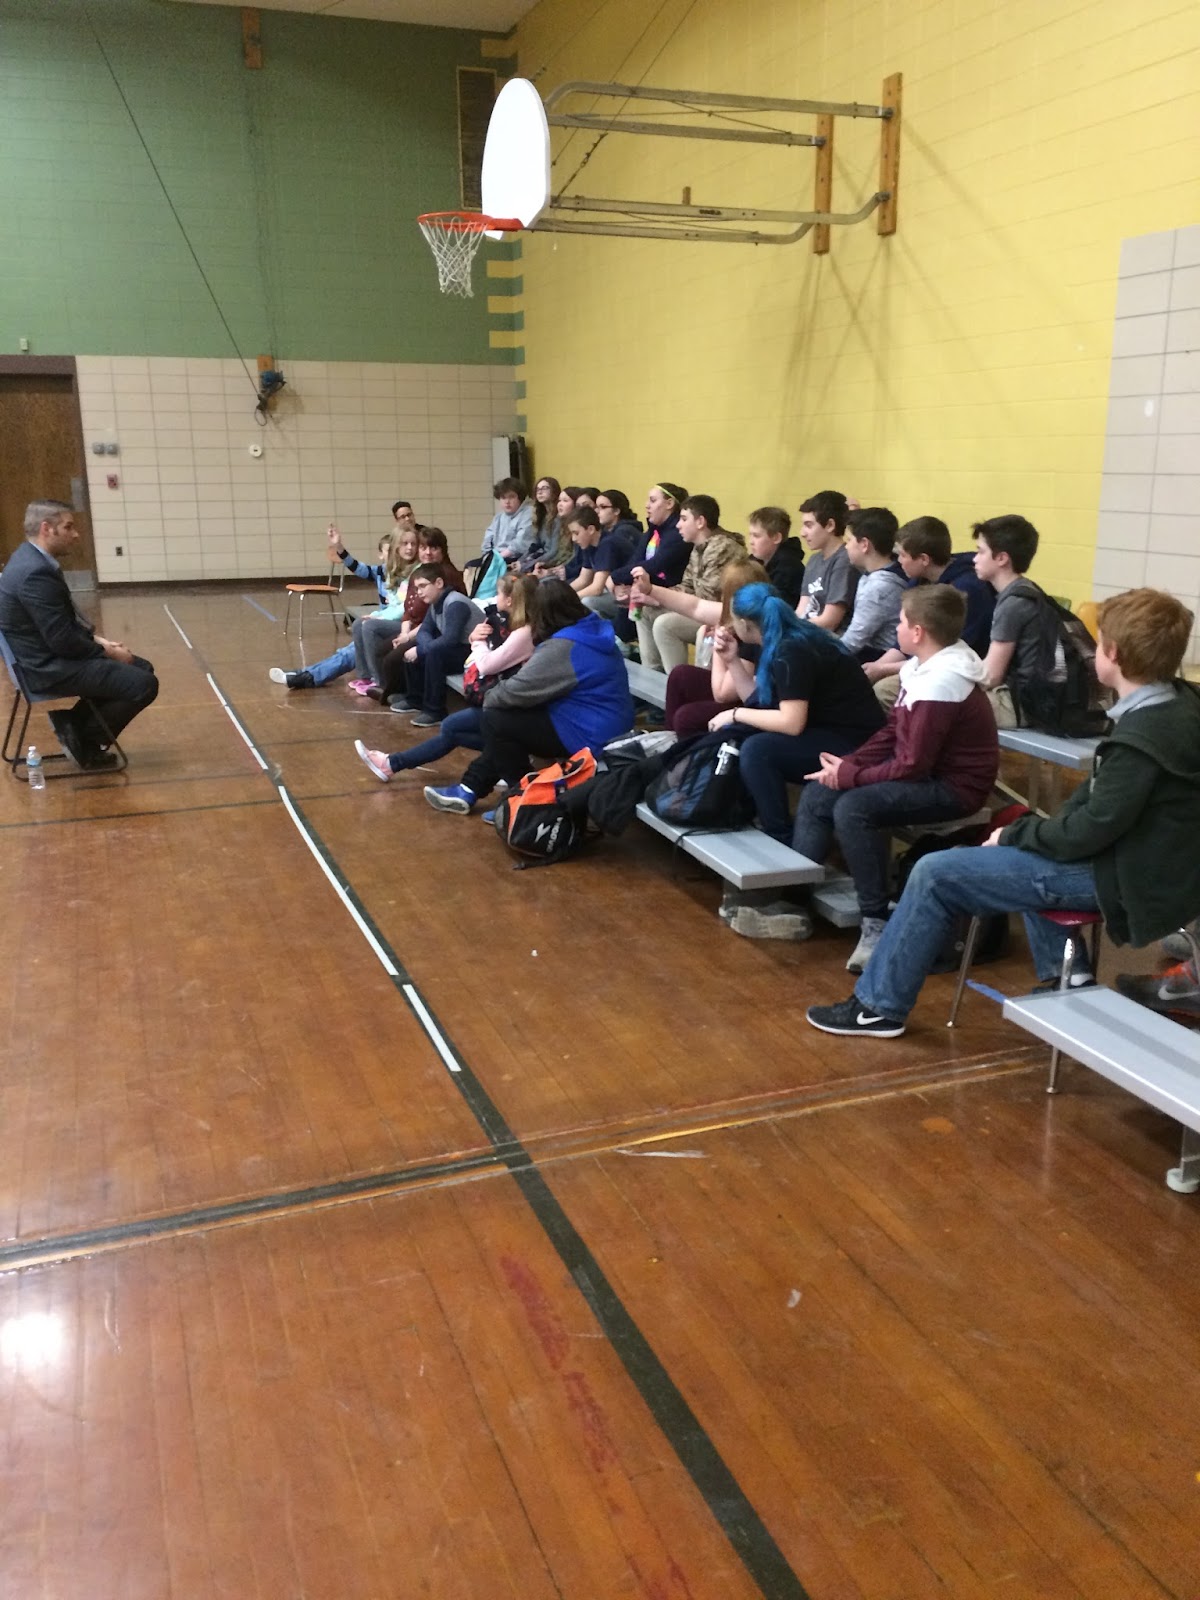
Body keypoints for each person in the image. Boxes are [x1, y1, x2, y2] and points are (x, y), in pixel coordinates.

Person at [807, 587, 1200, 1039]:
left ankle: (877, 1007)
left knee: (937, 873)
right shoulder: (1177, 703)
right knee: (1028, 843)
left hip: (1130, 877)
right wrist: (1031, 831)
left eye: (1099, 642)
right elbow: (1095, 808)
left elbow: (1088, 831)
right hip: (1149, 863)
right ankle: (1068, 976)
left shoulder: (1142, 738)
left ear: (1112, 654)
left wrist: (1016, 835)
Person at [787, 585, 998, 970]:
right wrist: (846, 765)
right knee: (820, 790)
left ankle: (875, 922)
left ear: (918, 632)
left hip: (954, 789)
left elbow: (913, 764)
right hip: (926, 774)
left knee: (853, 808)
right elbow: (892, 732)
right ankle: (795, 897)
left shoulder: (942, 682)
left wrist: (852, 777)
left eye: (900, 622)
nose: (896, 628)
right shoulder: (923, 665)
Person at [424, 579, 634, 814]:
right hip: (603, 722)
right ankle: (470, 788)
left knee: (496, 720)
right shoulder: (590, 628)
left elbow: (508, 693)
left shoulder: (563, 647)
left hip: (588, 733)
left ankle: (527, 802)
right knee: (506, 719)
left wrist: (492, 692)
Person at [708, 583, 886, 849]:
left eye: (734, 621)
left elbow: (791, 723)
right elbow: (761, 705)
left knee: (757, 750)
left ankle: (780, 838)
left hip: (856, 743)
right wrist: (732, 660)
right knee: (747, 735)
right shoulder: (785, 638)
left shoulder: (792, 650)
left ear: (744, 624)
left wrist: (735, 714)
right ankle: (750, 819)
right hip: (828, 731)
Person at [0, 500, 158, 769]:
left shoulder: (26, 558)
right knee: (143, 684)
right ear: (46, 529)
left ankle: (73, 725)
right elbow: (63, 641)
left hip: (41, 658)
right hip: (45, 668)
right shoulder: (35, 573)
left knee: (141, 668)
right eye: (68, 527)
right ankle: (84, 740)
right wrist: (110, 652)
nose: (75, 534)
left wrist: (99, 641)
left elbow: (59, 626)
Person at [354, 573, 537, 782]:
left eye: (498, 594)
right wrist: (475, 637)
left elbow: (486, 664)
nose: (496, 598)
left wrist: (476, 642)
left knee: (452, 727)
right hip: (502, 702)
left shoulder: (523, 633)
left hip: (511, 707)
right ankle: (391, 764)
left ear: (510, 600)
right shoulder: (506, 622)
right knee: (451, 727)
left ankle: (513, 760)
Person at [270, 524, 426, 691]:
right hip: (385, 621)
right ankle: (304, 674)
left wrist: (378, 617)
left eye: (412, 544)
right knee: (352, 642)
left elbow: (404, 608)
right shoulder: (386, 572)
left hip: (398, 624)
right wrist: (339, 546)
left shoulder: (415, 573)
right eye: (403, 544)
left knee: (350, 651)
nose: (408, 548)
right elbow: (357, 567)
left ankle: (307, 677)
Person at [861, 516, 996, 705]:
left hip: (951, 669)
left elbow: (946, 656)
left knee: (882, 691)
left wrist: (884, 670)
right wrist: (876, 667)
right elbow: (903, 642)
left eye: (903, 555)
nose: (899, 561)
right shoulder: (918, 581)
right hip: (919, 662)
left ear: (924, 559)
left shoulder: (966, 591)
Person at [659, 558, 770, 738]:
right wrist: (651, 591)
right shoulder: (740, 621)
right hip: (737, 694)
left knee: (686, 717)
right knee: (680, 675)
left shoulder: (751, 633)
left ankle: (688, 751)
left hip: (748, 704)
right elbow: (694, 606)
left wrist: (719, 648)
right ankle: (667, 740)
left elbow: (722, 694)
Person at [634, 495, 746, 672]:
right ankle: (651, 674)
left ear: (700, 522)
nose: (678, 525)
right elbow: (686, 587)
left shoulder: (722, 547)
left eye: (684, 519)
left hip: (723, 618)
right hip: (701, 609)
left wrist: (658, 596)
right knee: (645, 610)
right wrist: (653, 598)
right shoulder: (699, 548)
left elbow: (707, 598)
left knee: (665, 624)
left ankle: (676, 682)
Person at [971, 513, 1055, 729]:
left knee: (941, 701)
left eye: (981, 551)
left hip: (1024, 705)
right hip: (1034, 700)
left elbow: (991, 677)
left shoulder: (1013, 603)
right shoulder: (1027, 590)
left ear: (1002, 558)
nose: (974, 559)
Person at [390, 563, 485, 727]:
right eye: (417, 588)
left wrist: (422, 650)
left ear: (439, 583)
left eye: (423, 586)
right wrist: (423, 649)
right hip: (458, 648)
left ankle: (435, 711)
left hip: (474, 653)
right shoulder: (435, 603)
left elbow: (450, 639)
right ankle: (415, 699)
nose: (419, 592)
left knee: (434, 655)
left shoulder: (455, 603)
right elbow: (423, 631)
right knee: (419, 650)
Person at [604, 482, 690, 638]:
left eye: (652, 500)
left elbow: (655, 564)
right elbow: (636, 559)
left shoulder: (677, 533)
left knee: (633, 593)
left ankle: (623, 639)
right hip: (649, 586)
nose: (647, 505)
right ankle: (622, 639)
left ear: (669, 504)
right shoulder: (654, 529)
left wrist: (615, 577)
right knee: (628, 591)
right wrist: (621, 581)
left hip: (672, 591)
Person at [840, 507, 904, 661]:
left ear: (864, 544)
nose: (846, 546)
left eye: (849, 540)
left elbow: (852, 642)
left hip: (876, 655)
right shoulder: (886, 568)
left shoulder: (878, 588)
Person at [795, 489, 858, 632]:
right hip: (808, 632)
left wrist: (792, 628)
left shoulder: (844, 560)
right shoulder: (813, 560)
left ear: (830, 525)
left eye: (809, 525)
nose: (802, 533)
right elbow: (801, 610)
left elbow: (830, 621)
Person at [569, 506, 636, 604]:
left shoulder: (607, 544)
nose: (573, 539)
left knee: (587, 601)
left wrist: (568, 599)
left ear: (591, 529)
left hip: (627, 594)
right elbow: (583, 580)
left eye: (576, 533)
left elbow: (597, 589)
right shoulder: (588, 544)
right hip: (611, 590)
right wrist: (563, 592)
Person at [746, 507, 806, 608]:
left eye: (756, 536)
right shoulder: (754, 560)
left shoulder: (789, 567)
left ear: (776, 538)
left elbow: (776, 607)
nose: (751, 541)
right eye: (750, 535)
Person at [480, 477, 535, 565]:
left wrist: (498, 558)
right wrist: (488, 556)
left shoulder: (529, 513)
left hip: (517, 558)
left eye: (511, 497)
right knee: (470, 565)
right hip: (497, 556)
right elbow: (488, 538)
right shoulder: (498, 517)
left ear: (520, 498)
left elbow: (521, 543)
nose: (507, 501)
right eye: (503, 498)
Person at [520, 476, 561, 571]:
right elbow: (535, 546)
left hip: (550, 562)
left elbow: (554, 551)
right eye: (538, 489)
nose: (540, 492)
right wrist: (521, 561)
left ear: (554, 491)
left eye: (545, 488)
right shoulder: (541, 517)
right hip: (539, 559)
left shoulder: (558, 519)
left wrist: (527, 565)